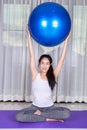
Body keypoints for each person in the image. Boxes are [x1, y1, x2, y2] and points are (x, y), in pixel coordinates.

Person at [16, 25, 71, 122]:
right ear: (39, 64)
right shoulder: (35, 74)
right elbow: (32, 56)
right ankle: (48, 118)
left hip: (50, 108)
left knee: (67, 113)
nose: (44, 66)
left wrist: (66, 40)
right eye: (42, 63)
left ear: (50, 65)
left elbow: (61, 60)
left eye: (47, 63)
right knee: (19, 116)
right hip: (35, 107)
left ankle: (42, 115)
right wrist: (29, 36)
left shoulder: (53, 75)